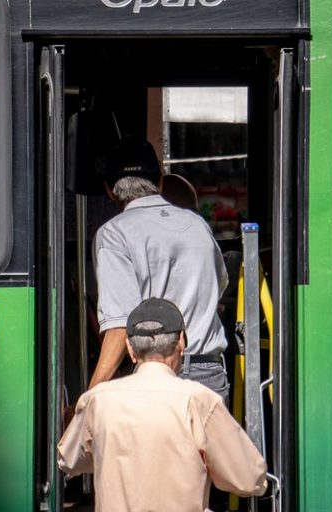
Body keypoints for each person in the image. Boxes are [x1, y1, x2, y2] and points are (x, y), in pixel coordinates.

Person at [58, 298, 267, 512]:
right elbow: (250, 479)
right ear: (181, 343)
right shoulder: (200, 401)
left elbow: (69, 460)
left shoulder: (98, 400)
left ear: (130, 348)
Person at [90, 137, 231, 403]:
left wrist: (91, 394)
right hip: (210, 376)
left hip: (156, 379)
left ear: (109, 190)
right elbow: (220, 284)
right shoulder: (197, 224)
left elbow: (120, 324)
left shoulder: (114, 234)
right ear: (161, 181)